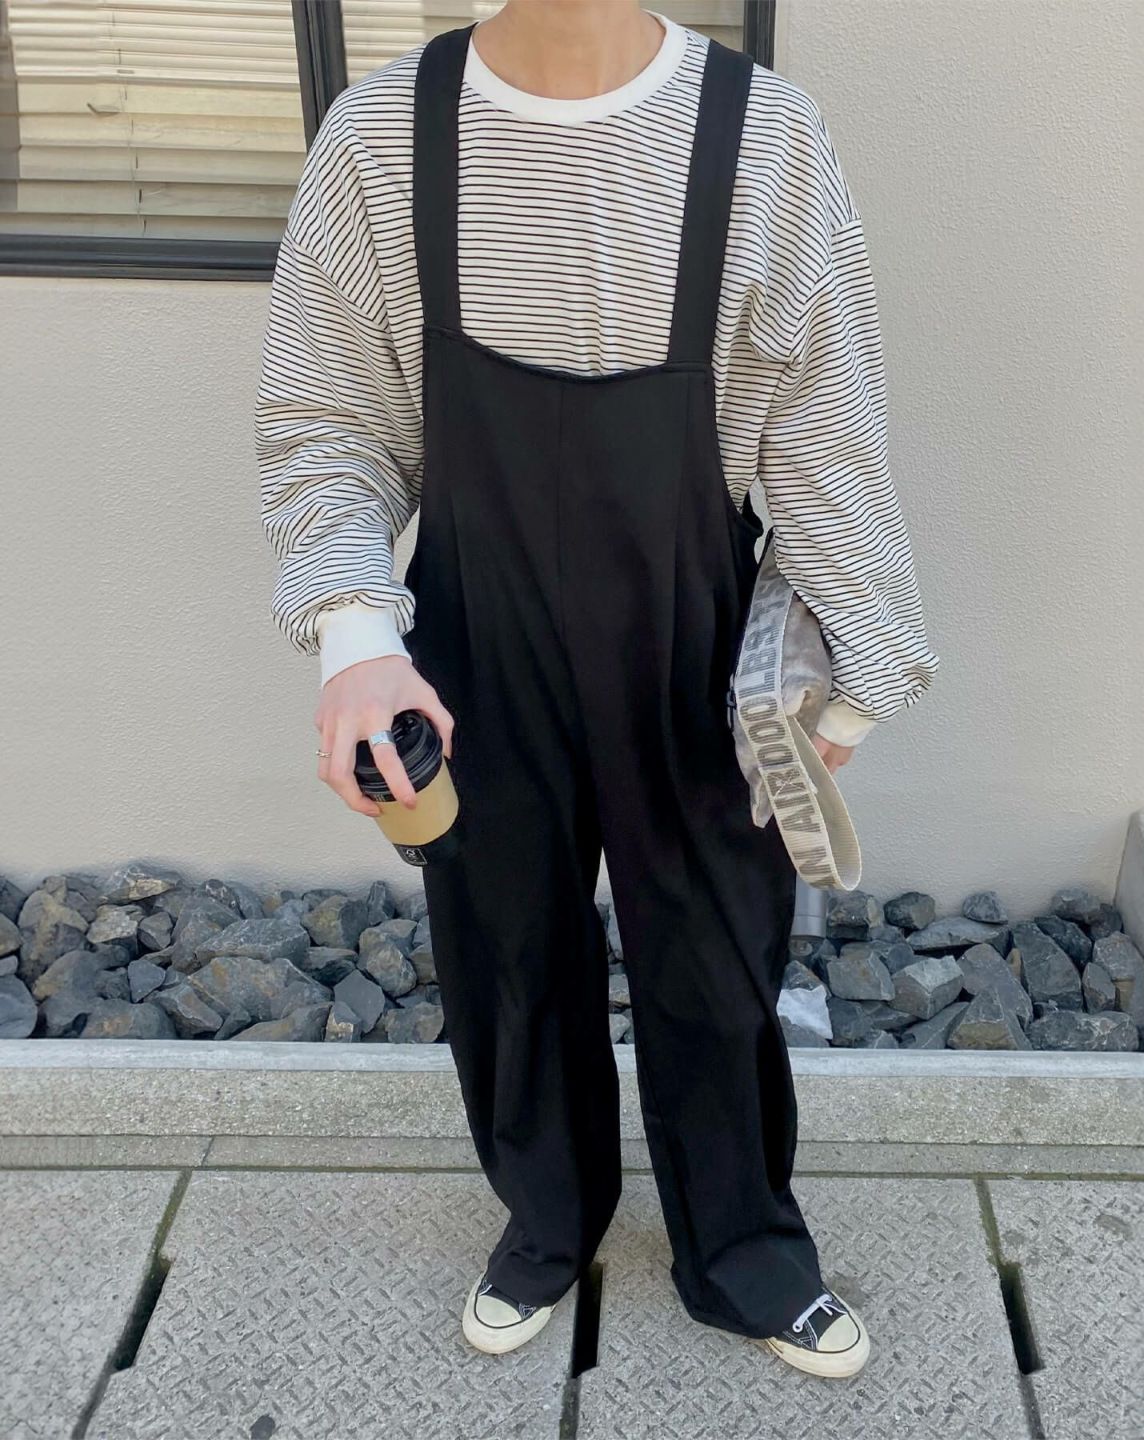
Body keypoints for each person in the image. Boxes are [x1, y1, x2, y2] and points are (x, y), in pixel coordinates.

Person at [255, 0, 939, 1380]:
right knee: (504, 944)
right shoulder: (382, 135)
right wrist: (354, 636)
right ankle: (547, 1220)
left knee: (718, 953)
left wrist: (854, 673)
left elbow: (825, 430)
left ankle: (744, 1248)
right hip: (472, 633)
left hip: (694, 634)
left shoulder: (765, 137)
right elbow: (326, 422)